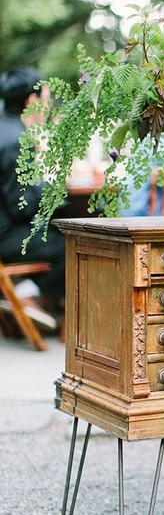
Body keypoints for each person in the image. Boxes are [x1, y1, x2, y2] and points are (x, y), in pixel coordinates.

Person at [0, 66, 66, 329]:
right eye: (46, 100)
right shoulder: (18, 139)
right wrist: (54, 190)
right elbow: (21, 205)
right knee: (74, 245)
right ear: (31, 101)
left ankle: (29, 297)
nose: (48, 107)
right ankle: (29, 296)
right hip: (5, 236)